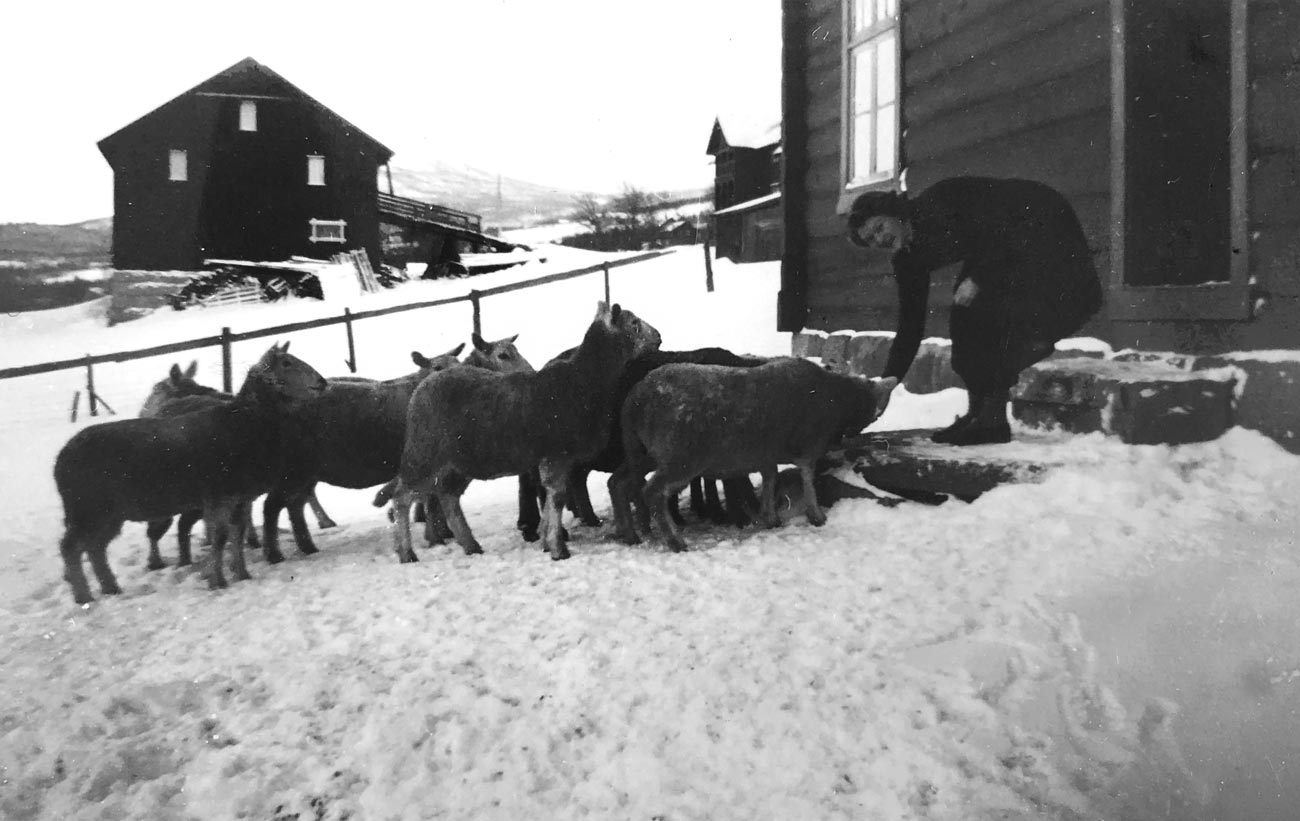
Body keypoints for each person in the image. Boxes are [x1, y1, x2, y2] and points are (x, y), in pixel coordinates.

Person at [847, 176, 1103, 445]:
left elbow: (1005, 231)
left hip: (1040, 221)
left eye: (879, 227)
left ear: (893, 211)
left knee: (992, 311)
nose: (880, 238)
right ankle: (979, 415)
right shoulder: (907, 258)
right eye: (872, 240)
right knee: (963, 317)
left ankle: (992, 418)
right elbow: (911, 324)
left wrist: (979, 278)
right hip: (1002, 250)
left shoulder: (938, 204)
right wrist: (890, 380)